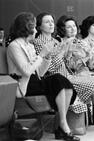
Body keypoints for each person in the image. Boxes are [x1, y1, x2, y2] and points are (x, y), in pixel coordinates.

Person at [6, 12, 80, 141]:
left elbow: (39, 72)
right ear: (26, 28)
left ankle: (62, 123)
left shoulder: (29, 45)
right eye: (34, 26)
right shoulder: (14, 46)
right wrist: (42, 54)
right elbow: (26, 71)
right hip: (23, 83)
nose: (35, 30)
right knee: (58, 80)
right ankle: (62, 126)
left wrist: (47, 56)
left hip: (35, 80)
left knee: (61, 80)